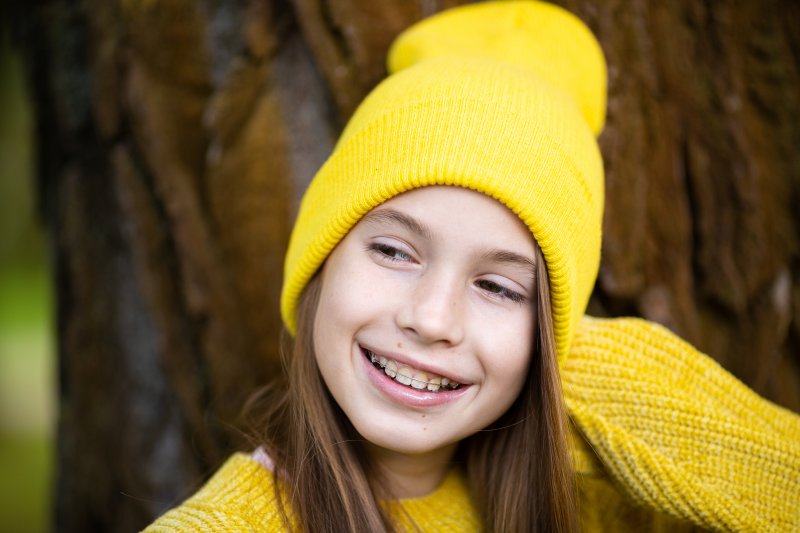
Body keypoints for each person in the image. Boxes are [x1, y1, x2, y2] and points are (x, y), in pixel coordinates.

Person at [144, 2, 800, 532]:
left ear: (549, 332)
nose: (431, 319)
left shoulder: (593, 503)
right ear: (321, 259)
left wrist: (619, 379)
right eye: (394, 250)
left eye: (497, 285)